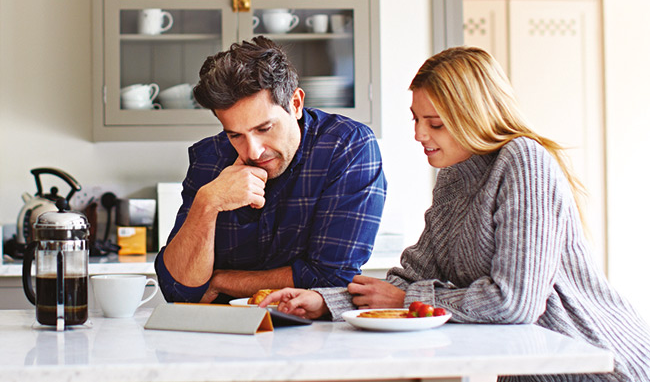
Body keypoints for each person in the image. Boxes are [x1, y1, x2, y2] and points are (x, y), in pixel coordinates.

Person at [261, 46, 650, 381]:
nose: (419, 134)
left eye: (435, 123)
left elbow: (514, 302)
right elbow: (411, 276)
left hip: (599, 364)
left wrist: (405, 300)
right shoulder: (452, 176)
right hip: (534, 367)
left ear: (475, 115)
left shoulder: (524, 160)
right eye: (416, 119)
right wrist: (325, 302)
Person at [155, 36, 387, 304]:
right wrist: (207, 204)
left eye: (264, 129)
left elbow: (331, 278)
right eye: (235, 135)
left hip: (311, 335)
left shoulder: (346, 147)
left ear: (296, 104)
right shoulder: (210, 158)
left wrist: (222, 280)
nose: (252, 151)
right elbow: (178, 290)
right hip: (222, 335)